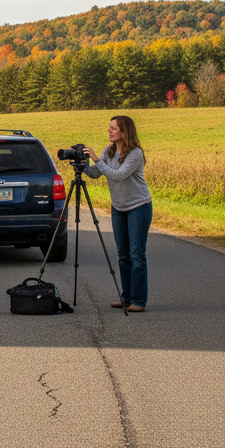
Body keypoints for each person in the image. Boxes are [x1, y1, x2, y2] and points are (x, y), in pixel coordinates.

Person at [84, 115, 152, 312]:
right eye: (109, 128)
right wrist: (81, 166)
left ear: (124, 132)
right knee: (123, 255)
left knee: (136, 255)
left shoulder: (135, 153)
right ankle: (126, 298)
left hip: (139, 206)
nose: (109, 131)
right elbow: (97, 173)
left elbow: (118, 175)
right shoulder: (109, 150)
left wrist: (97, 159)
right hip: (118, 208)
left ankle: (138, 301)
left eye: (113, 128)